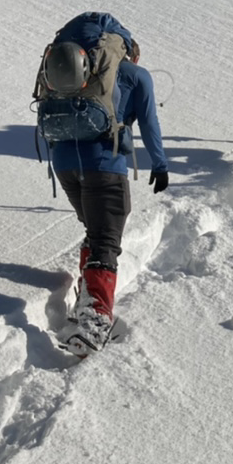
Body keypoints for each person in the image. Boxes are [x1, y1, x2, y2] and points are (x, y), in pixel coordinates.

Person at [52, 31, 168, 353]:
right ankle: (95, 321)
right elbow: (149, 123)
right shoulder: (136, 75)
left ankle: (86, 300)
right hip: (103, 164)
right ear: (130, 53)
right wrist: (160, 164)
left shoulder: (77, 71)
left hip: (63, 163)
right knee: (106, 237)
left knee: (97, 229)